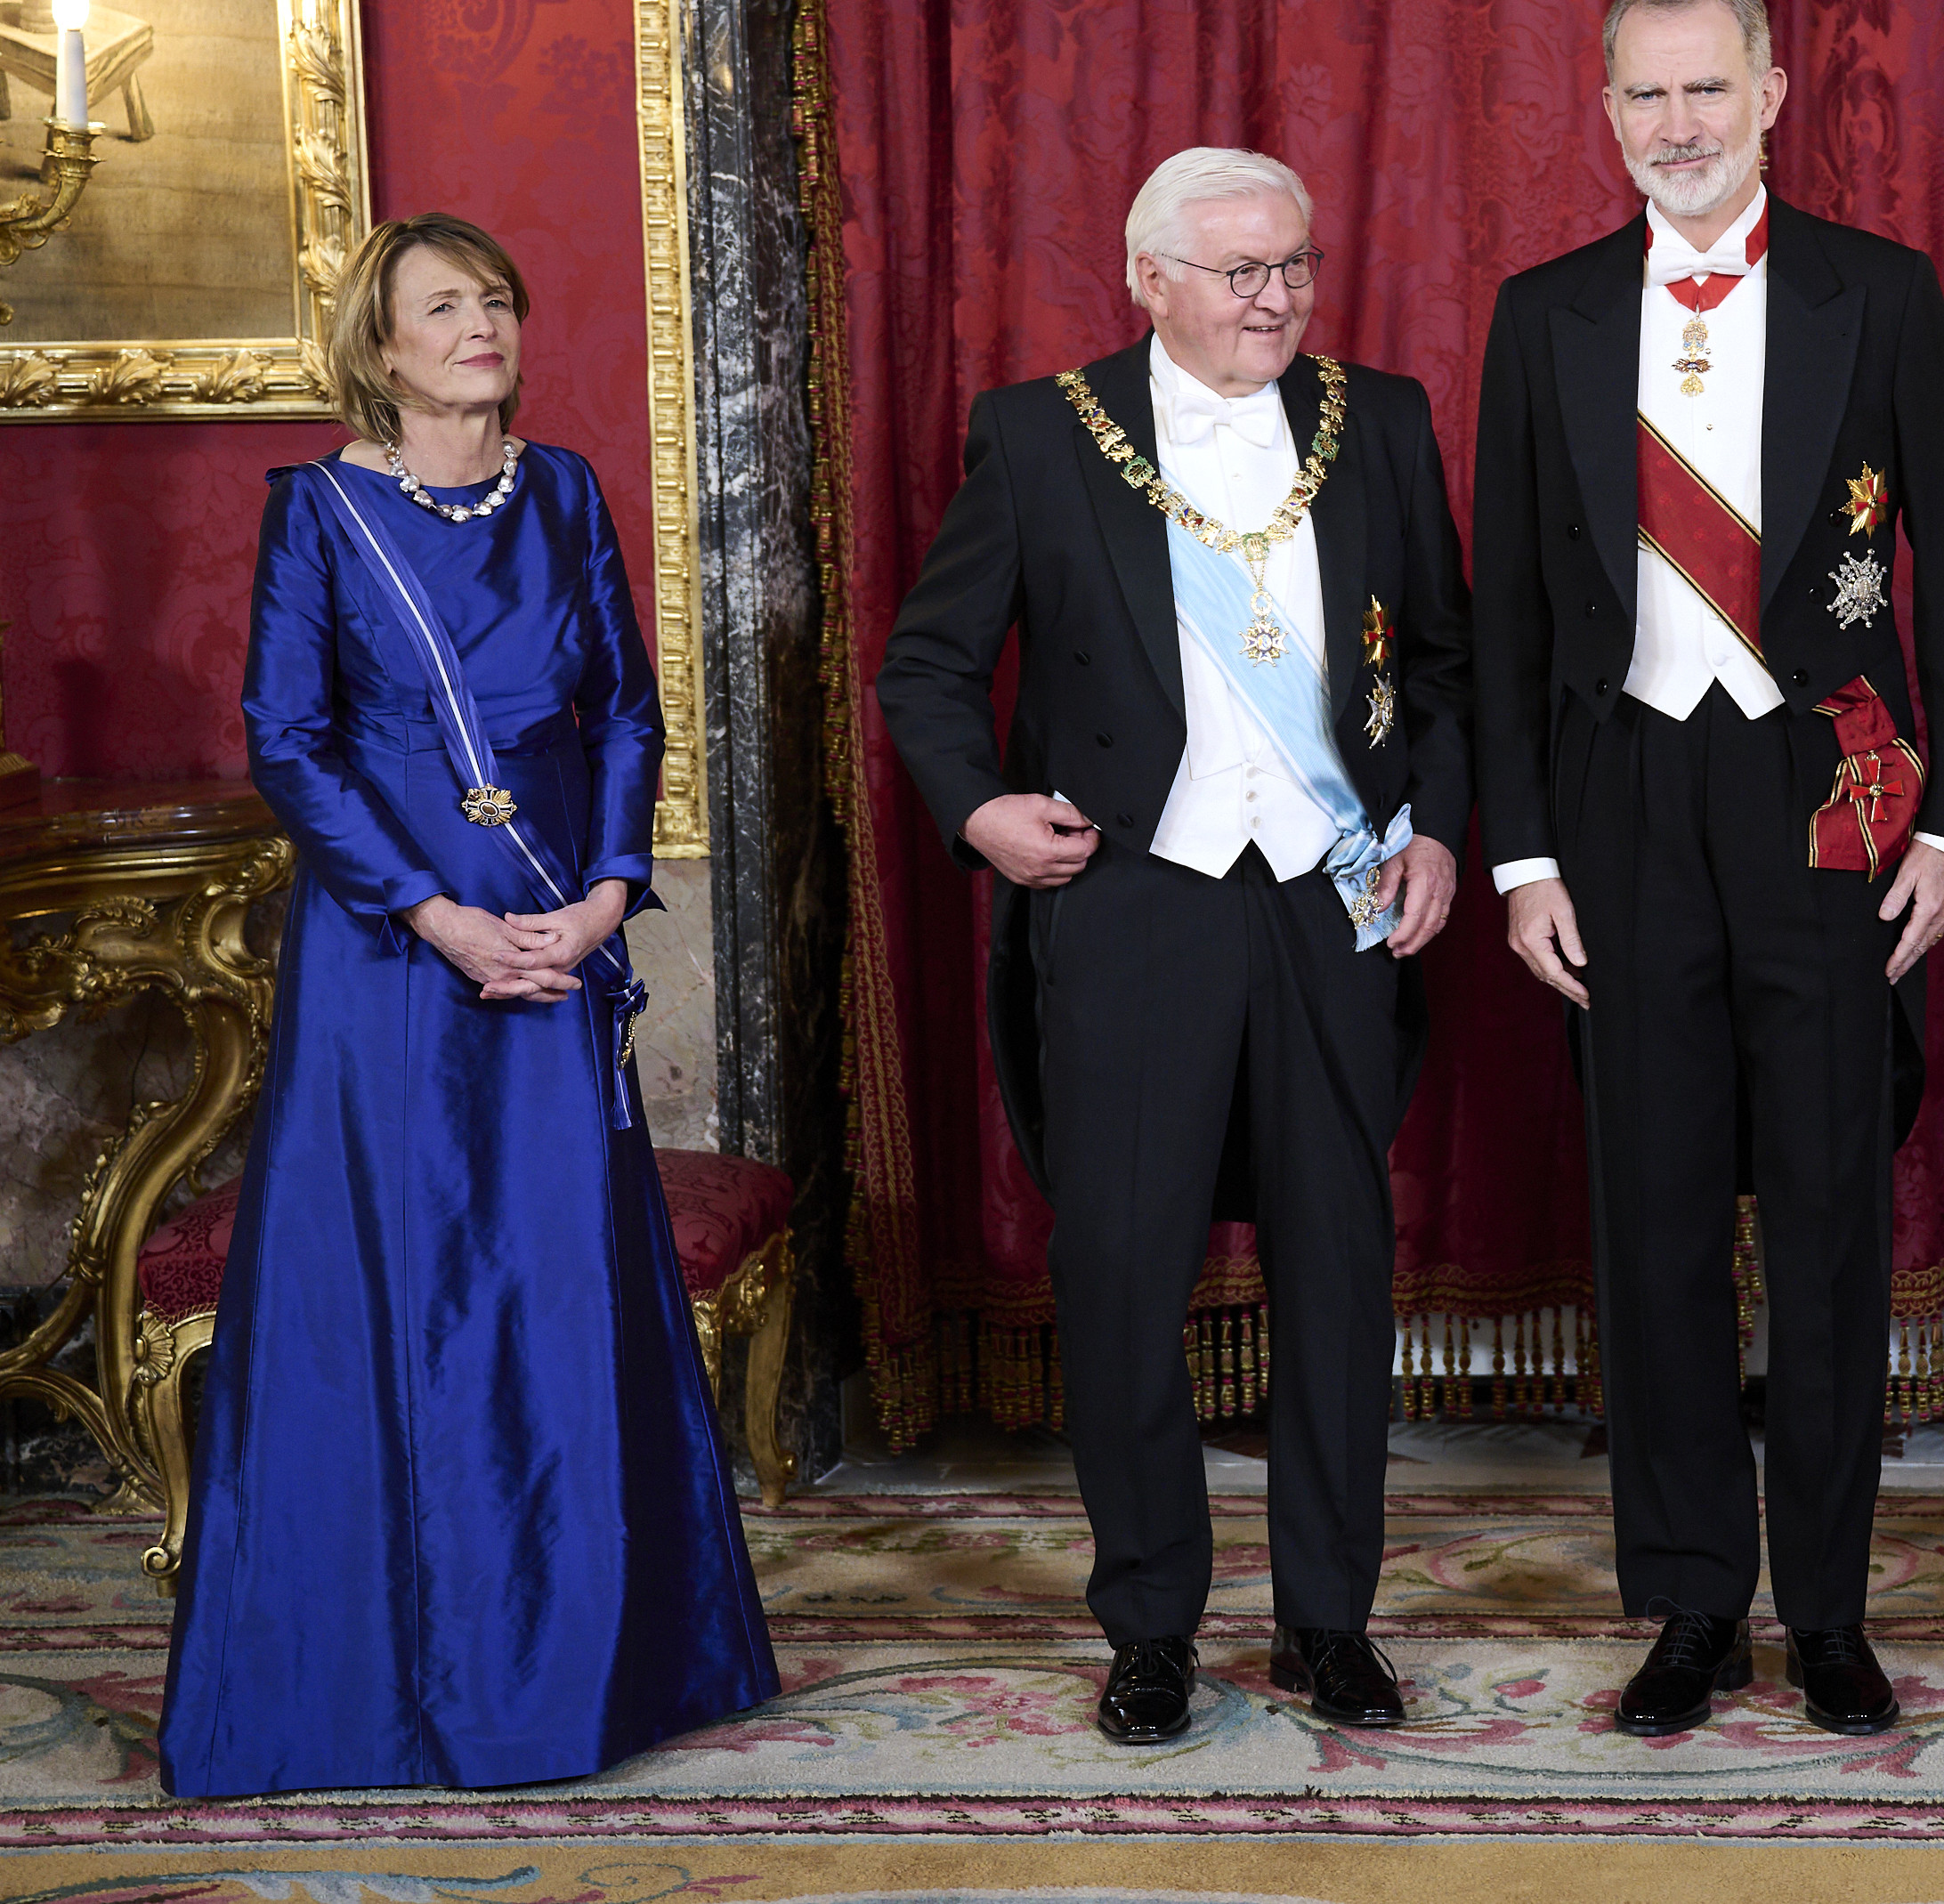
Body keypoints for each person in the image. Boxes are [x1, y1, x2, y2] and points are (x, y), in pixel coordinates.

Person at [159, 214, 777, 1796]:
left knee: (557, 1275)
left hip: (558, 930)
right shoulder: (318, 511)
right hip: (392, 950)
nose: (481, 325)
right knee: (407, 1271)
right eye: (443, 306)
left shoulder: (561, 489)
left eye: (496, 298)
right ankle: (390, 1675)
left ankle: (596, 1667)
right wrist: (434, 914)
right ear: (378, 346)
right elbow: (289, 740)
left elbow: (625, 709)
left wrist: (607, 891)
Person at [1471, 0, 1944, 1738]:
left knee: (1831, 1212)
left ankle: (1830, 1606)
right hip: (1622, 803)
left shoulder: (1881, 292)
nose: (1678, 124)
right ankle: (1694, 1602)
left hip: (1824, 797)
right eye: (1645, 94)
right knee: (1654, 1220)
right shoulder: (1543, 312)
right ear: (1605, 109)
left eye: (1707, 88)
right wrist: (1522, 859)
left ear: (1772, 93)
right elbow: (1506, 608)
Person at [877, 147, 1472, 1747]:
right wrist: (981, 809)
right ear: (1148, 280)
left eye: (1296, 265)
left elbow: (1442, 661)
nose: (1277, 299)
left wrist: (1434, 825)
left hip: (1332, 899)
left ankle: (1329, 1619)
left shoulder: (1380, 418)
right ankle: (1150, 1625)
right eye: (1240, 272)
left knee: (1337, 1271)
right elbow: (927, 664)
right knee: (1128, 1272)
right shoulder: (1039, 433)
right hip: (1136, 900)